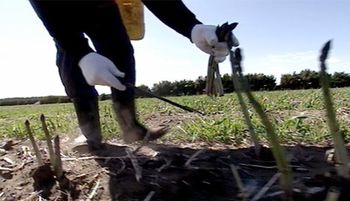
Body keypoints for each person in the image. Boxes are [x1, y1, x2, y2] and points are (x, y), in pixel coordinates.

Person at [29, 0, 237, 150]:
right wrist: (81, 52)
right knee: (71, 57)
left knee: (121, 51)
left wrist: (191, 27)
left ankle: (131, 127)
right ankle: (89, 131)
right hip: (59, 8)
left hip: (103, 7)